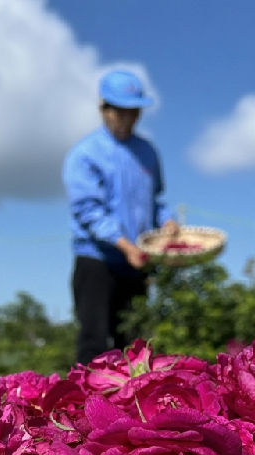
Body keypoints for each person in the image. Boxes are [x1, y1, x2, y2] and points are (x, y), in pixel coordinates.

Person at [63, 69, 176, 365]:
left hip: (137, 262)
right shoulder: (85, 154)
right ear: (104, 108)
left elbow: (155, 201)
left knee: (136, 345)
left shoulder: (147, 152)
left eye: (133, 112)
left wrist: (168, 221)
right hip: (97, 261)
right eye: (120, 112)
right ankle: (86, 409)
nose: (127, 119)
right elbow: (89, 211)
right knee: (95, 343)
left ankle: (132, 408)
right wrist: (125, 246)